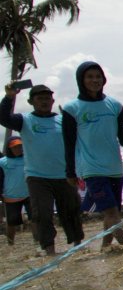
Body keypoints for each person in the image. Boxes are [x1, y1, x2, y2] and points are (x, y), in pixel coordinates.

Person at [62, 61, 123, 249]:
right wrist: (70, 171)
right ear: (81, 80)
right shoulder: (72, 109)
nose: (95, 80)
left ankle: (106, 249)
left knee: (114, 211)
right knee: (110, 211)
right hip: (91, 168)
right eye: (90, 77)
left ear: (104, 79)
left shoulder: (114, 105)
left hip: (114, 167)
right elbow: (68, 143)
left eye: (98, 76)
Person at [0, 83, 84, 255]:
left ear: (53, 100)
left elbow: (78, 143)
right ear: (31, 101)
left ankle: (78, 245)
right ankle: (49, 250)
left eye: (47, 98)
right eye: (40, 99)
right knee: (42, 214)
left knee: (71, 210)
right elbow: (3, 118)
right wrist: (9, 97)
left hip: (64, 175)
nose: (44, 101)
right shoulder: (24, 120)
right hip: (37, 177)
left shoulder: (63, 120)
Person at [0, 137, 32, 246]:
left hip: (29, 194)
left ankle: (38, 242)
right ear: (10, 149)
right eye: (15, 147)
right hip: (11, 196)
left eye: (20, 146)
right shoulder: (2, 162)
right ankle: (11, 244)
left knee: (35, 219)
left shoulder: (28, 158)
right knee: (11, 222)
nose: (19, 149)